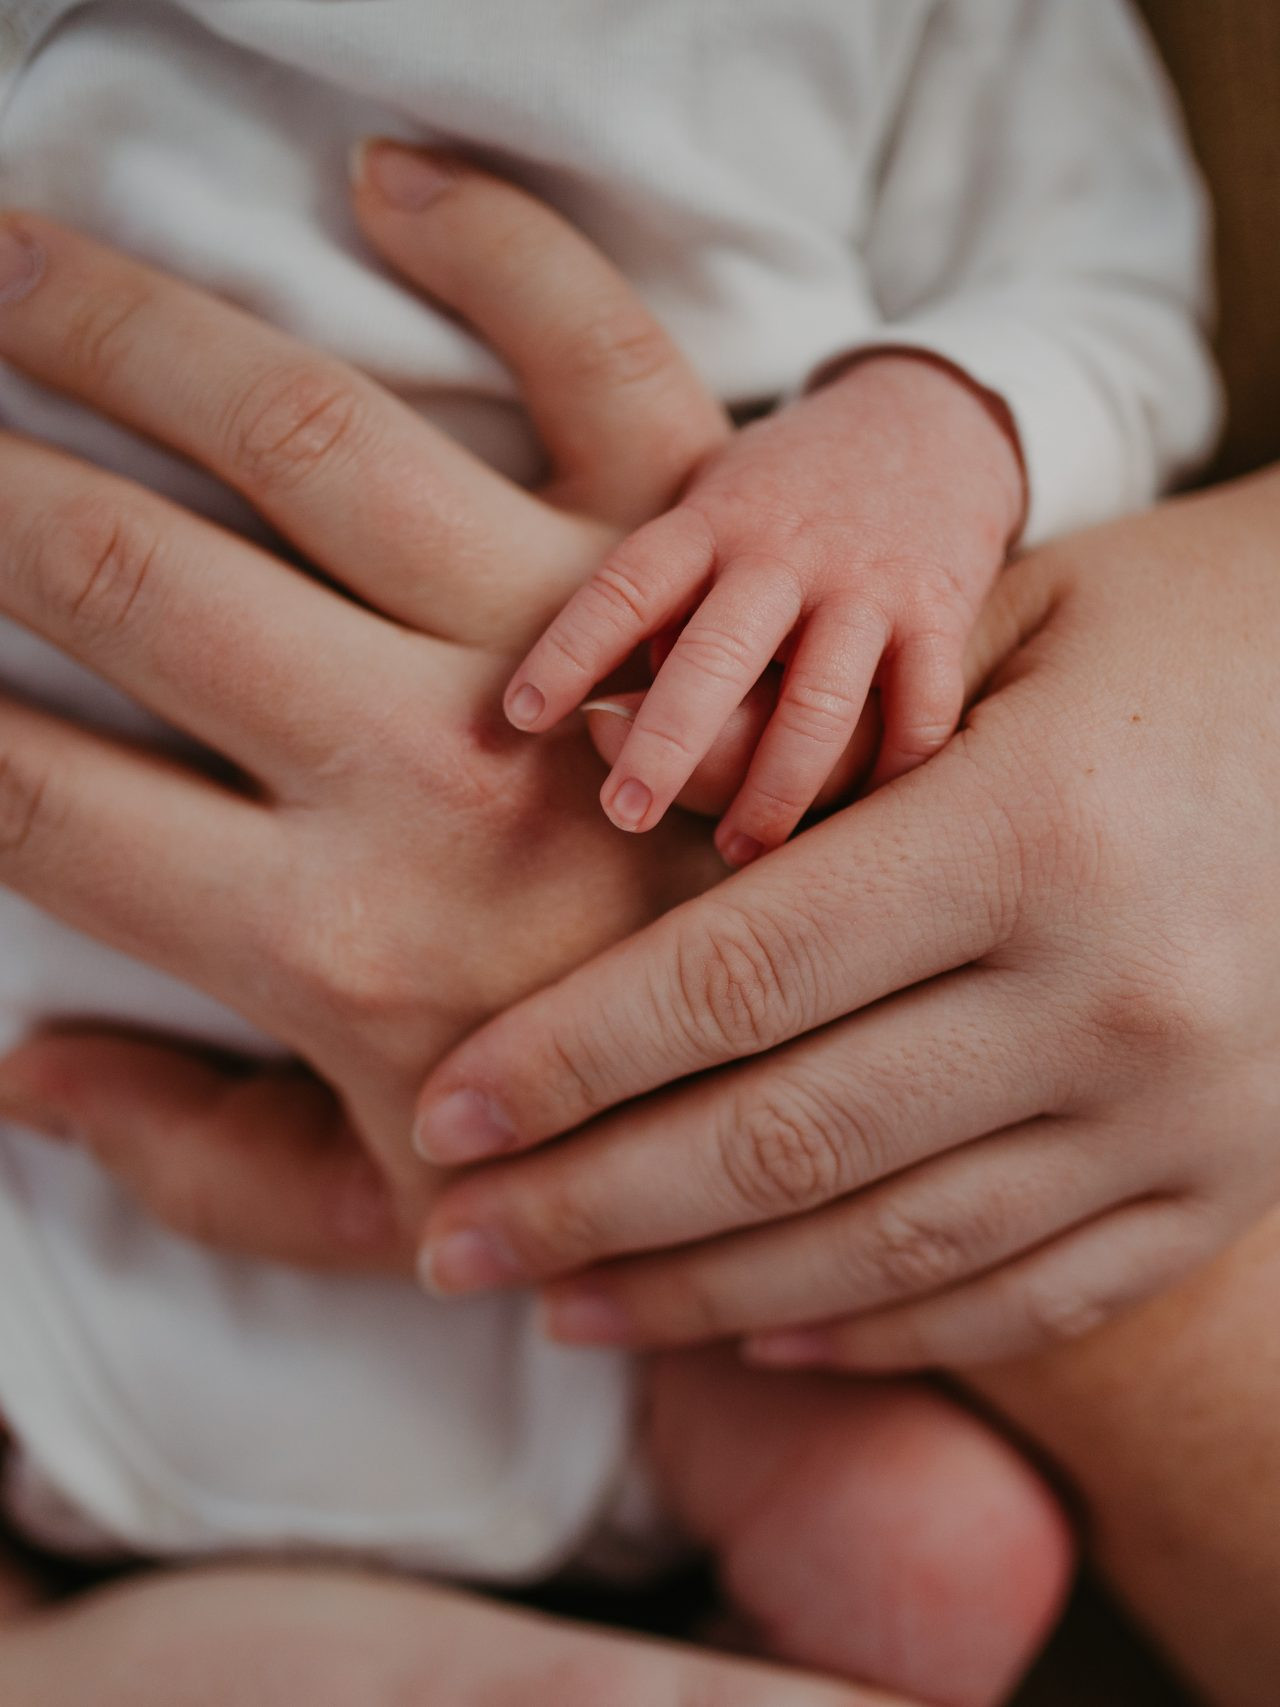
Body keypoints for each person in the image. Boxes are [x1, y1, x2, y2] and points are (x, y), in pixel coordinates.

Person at [0, 0, 1219, 1699]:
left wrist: (919, 432)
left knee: (936, 1544)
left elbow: (1106, 285)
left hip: (619, 1198)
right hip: (55, 1087)